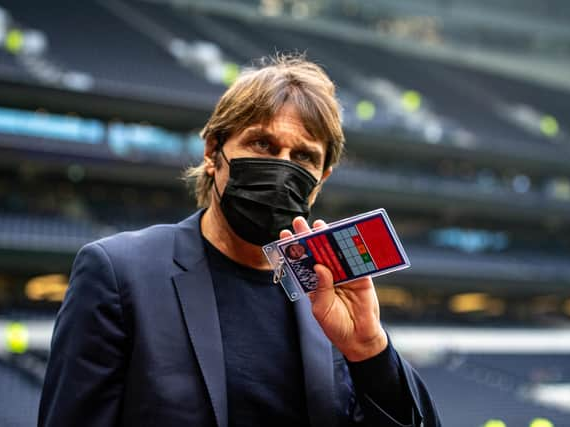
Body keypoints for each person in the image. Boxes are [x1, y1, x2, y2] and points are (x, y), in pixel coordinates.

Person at [38, 54, 440, 427]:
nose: (281, 167)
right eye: (263, 144)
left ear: (320, 182)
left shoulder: (328, 299)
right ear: (213, 151)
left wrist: (369, 350)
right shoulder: (118, 272)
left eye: (303, 157)